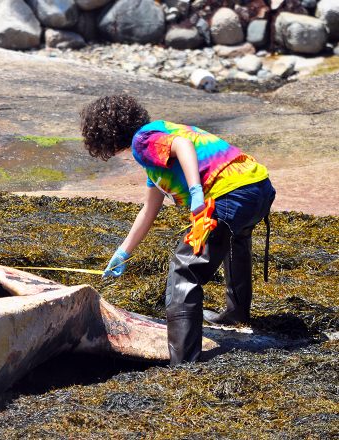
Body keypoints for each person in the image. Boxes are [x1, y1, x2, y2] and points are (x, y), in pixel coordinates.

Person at [80, 95, 275, 365]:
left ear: (108, 140)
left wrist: (196, 191)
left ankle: (184, 363)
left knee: (185, 270)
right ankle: (236, 314)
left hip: (231, 193)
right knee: (233, 241)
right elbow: (149, 210)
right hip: (258, 187)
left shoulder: (142, 141)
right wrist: (123, 252)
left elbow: (183, 146)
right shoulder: (158, 144)